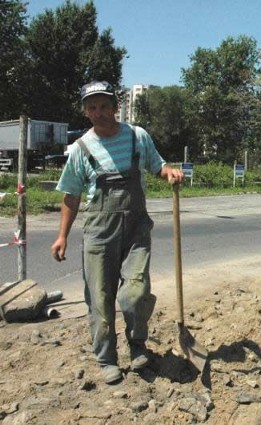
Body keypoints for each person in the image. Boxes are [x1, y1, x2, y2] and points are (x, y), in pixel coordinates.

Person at [51, 81, 184, 384]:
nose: (99, 113)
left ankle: (137, 345)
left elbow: (157, 165)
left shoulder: (138, 137)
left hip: (136, 229)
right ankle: (106, 357)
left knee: (135, 293)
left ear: (115, 107)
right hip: (99, 233)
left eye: (103, 106)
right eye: (92, 107)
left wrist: (169, 172)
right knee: (100, 298)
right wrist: (62, 236)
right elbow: (71, 196)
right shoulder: (81, 149)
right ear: (86, 112)